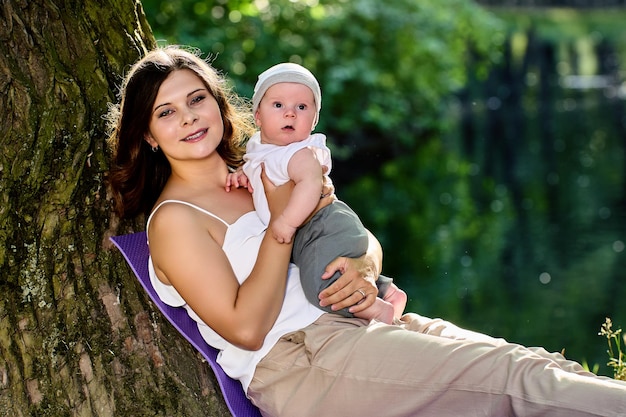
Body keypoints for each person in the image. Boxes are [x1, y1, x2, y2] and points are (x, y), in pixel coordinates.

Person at [107, 45, 626, 417]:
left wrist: (363, 267)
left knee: (531, 364)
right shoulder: (174, 220)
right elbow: (244, 328)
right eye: (167, 112)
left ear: (218, 103)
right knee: (516, 383)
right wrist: (281, 229)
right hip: (302, 363)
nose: (190, 118)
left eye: (197, 99)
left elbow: (347, 228)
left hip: (356, 323)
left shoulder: (263, 166)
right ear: (148, 135)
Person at [225, 62, 406, 324]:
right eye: (278, 105)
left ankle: (378, 310)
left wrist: (286, 222)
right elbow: (257, 166)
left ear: (314, 120)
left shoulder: (298, 153)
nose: (290, 114)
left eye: (301, 107)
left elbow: (311, 186)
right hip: (310, 232)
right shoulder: (259, 148)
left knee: (320, 289)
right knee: (330, 271)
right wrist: (243, 173)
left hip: (322, 226)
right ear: (258, 116)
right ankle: (386, 291)